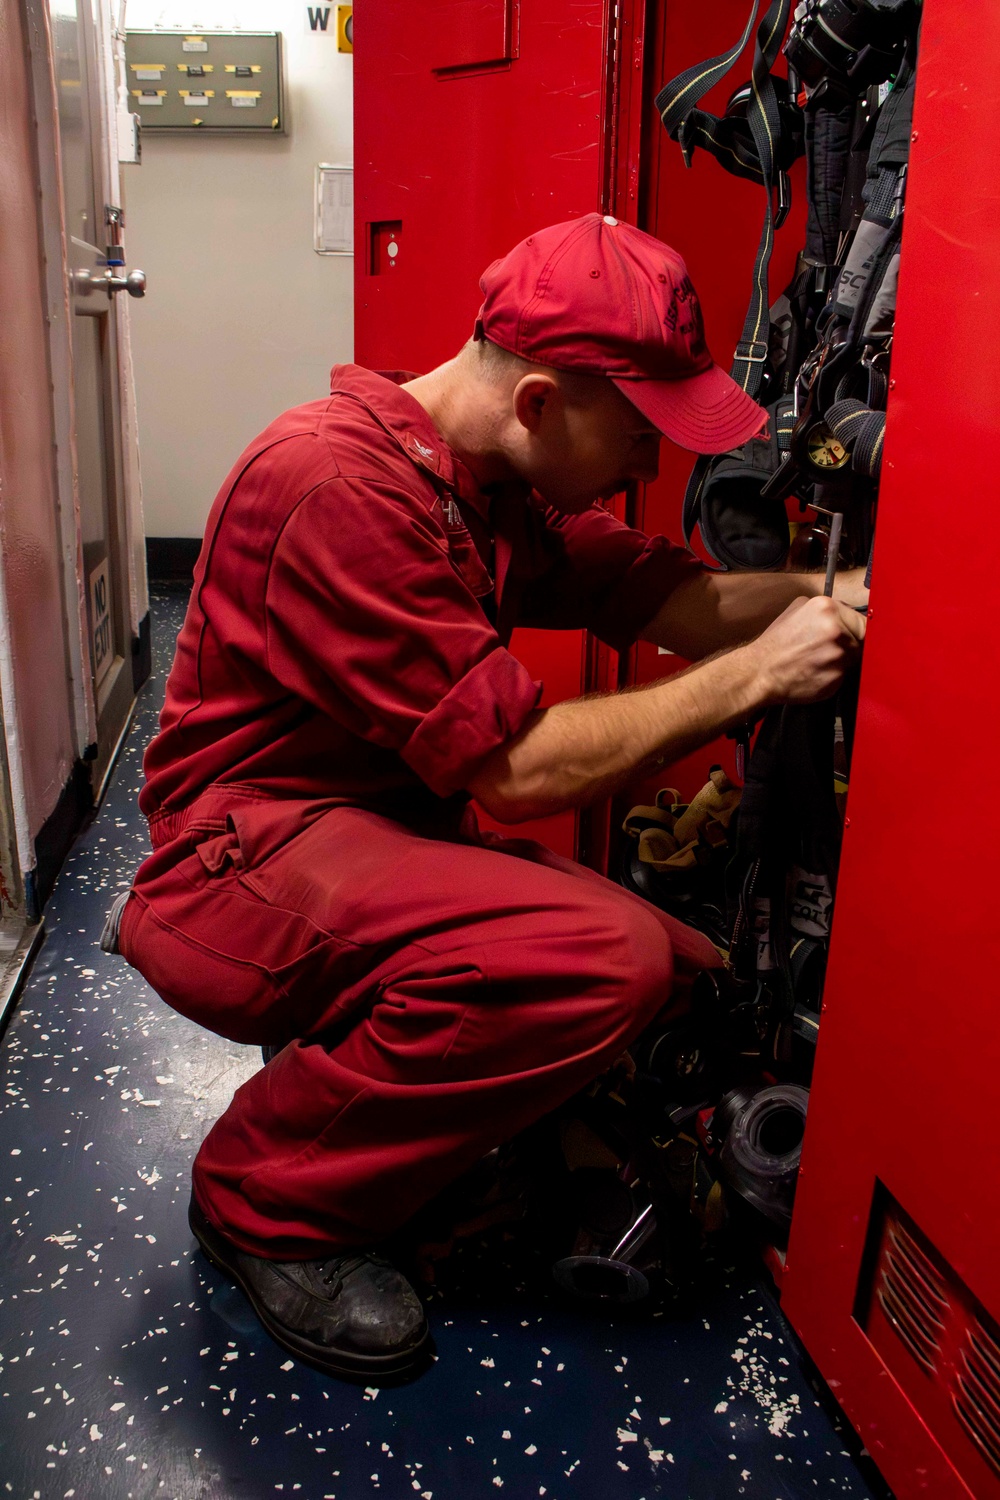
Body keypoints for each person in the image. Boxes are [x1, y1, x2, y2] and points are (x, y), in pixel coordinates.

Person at [114, 213, 865, 1381]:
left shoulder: (491, 484)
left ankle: (348, 1066)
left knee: (673, 968)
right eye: (640, 431)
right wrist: (760, 678)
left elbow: (672, 603)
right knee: (594, 959)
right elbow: (519, 771)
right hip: (236, 863)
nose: (651, 466)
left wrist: (847, 588)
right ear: (539, 403)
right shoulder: (333, 486)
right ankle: (262, 1199)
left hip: (358, 841)